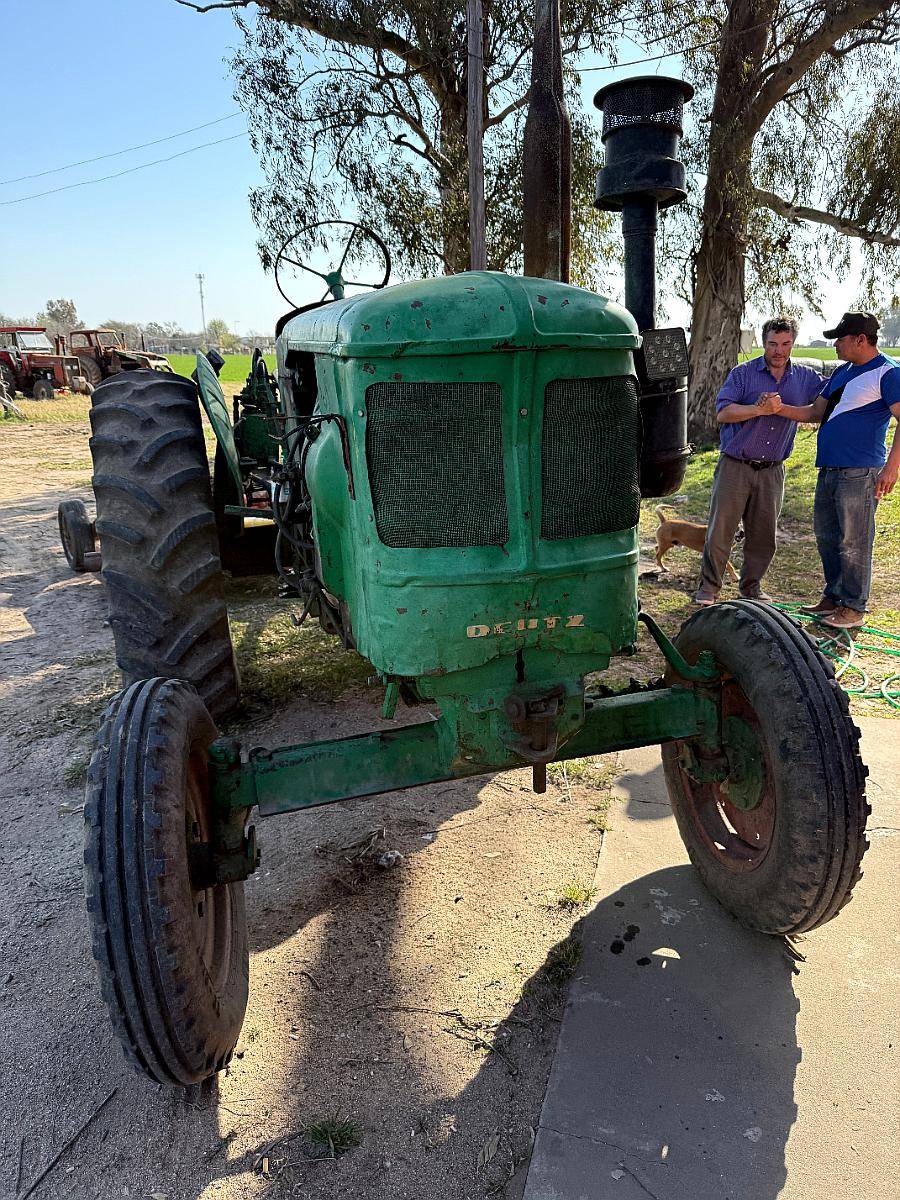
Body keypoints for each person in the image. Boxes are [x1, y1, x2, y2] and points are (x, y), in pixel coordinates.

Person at [769, 312, 900, 629]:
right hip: (829, 466)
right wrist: (779, 409)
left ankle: (854, 607)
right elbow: (816, 412)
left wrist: (891, 469)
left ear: (860, 339)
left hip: (860, 470)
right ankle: (834, 597)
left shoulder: (888, 373)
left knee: (855, 540)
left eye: (840, 339)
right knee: (827, 535)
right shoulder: (843, 372)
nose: (836, 345)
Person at [695, 316, 823, 604]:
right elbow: (723, 414)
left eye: (786, 344)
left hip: (772, 470)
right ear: (764, 343)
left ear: (793, 343)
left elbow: (826, 402)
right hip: (735, 466)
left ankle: (751, 588)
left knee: (764, 535)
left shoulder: (805, 378)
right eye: (773, 344)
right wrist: (758, 409)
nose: (779, 350)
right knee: (721, 531)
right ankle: (709, 588)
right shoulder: (743, 374)